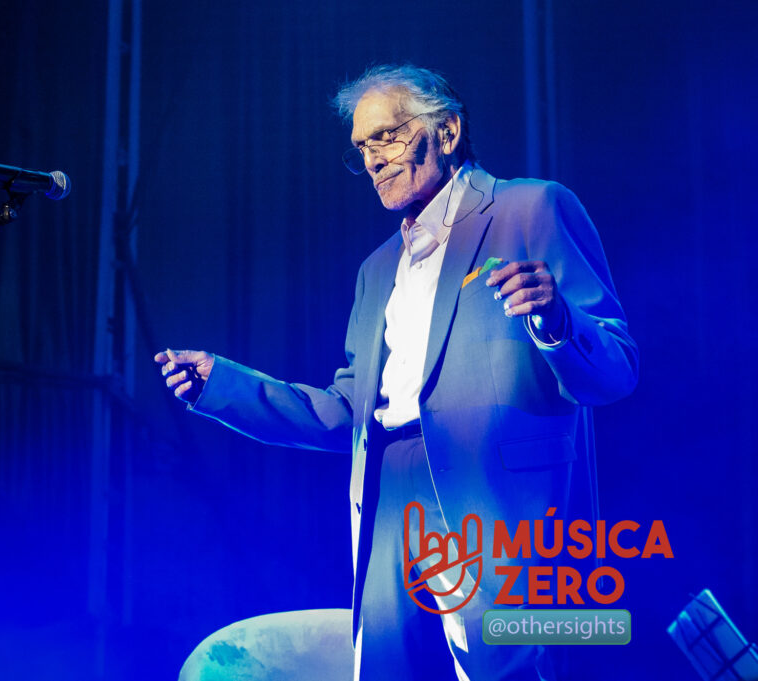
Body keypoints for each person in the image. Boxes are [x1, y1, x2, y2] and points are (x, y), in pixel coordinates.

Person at [155, 64, 638, 681]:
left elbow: (617, 369)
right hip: (387, 491)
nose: (374, 159)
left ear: (448, 131)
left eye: (386, 135)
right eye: (362, 148)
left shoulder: (531, 208)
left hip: (494, 494)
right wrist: (223, 384)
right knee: (387, 668)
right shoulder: (376, 268)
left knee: (509, 668)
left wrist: (556, 320)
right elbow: (341, 411)